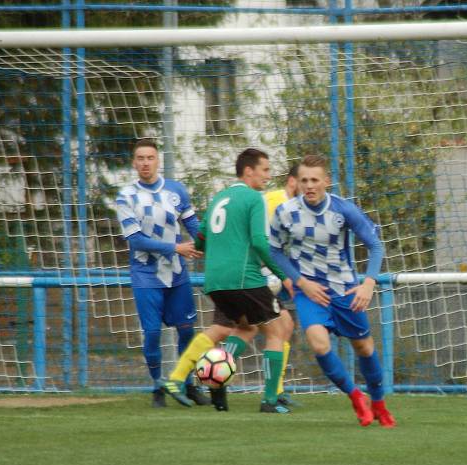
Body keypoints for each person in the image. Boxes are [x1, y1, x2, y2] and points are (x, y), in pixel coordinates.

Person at [158, 148, 293, 414]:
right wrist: (283, 275)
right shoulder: (254, 199)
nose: (268, 176)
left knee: (245, 329)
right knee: (278, 330)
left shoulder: (219, 197)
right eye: (264, 170)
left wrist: (202, 248)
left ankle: (216, 381)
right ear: (248, 171)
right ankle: (270, 400)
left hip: (215, 282)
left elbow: (201, 239)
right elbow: (258, 242)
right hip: (245, 278)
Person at [269, 154, 396, 428]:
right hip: (311, 292)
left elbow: (375, 246)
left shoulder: (344, 210)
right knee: (319, 343)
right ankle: (355, 396)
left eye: (315, 180)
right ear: (297, 182)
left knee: (363, 347)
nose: (309, 185)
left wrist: (368, 283)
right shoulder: (285, 212)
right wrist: (301, 282)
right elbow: (274, 250)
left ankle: (379, 403)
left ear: (326, 181)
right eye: (304, 180)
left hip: (346, 290)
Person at [115, 139, 209, 408]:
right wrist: (176, 247)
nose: (145, 163)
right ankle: (157, 384)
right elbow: (136, 240)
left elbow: (193, 224)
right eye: (140, 158)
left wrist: (209, 245)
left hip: (177, 275)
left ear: (158, 160)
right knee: (153, 333)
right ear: (134, 163)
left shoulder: (176, 191)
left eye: (150, 158)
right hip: (146, 275)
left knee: (187, 330)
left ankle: (187, 384)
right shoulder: (126, 196)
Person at [263, 163, 300, 407]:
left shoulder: (291, 204)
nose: (308, 186)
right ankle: (210, 382)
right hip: (258, 274)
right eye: (304, 180)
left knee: (284, 326)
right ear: (292, 180)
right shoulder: (277, 200)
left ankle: (276, 389)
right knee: (235, 331)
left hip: (270, 274)